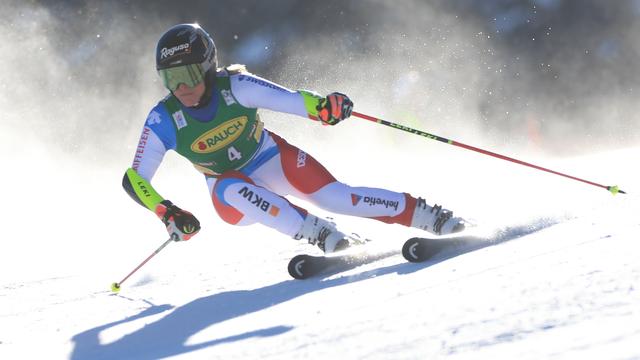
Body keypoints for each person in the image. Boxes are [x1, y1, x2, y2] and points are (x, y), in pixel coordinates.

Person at [122, 23, 465, 254]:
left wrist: (325, 108)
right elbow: (134, 179)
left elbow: (292, 100)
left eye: (188, 75)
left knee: (337, 197)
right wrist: (167, 212)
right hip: (231, 197)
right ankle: (319, 232)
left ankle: (428, 215)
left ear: (209, 66)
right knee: (229, 185)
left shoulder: (236, 87)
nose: (180, 88)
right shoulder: (164, 118)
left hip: (271, 159)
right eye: (170, 78)